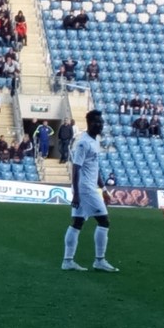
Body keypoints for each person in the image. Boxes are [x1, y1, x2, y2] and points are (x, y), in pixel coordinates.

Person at [61, 110, 118, 272]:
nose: (100, 125)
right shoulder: (83, 143)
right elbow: (76, 168)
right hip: (85, 189)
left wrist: (104, 189)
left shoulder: (95, 141)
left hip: (88, 188)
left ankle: (67, 261)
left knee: (77, 223)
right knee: (104, 221)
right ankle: (99, 260)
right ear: (89, 123)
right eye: (97, 122)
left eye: (102, 122)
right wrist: (76, 193)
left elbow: (95, 169)